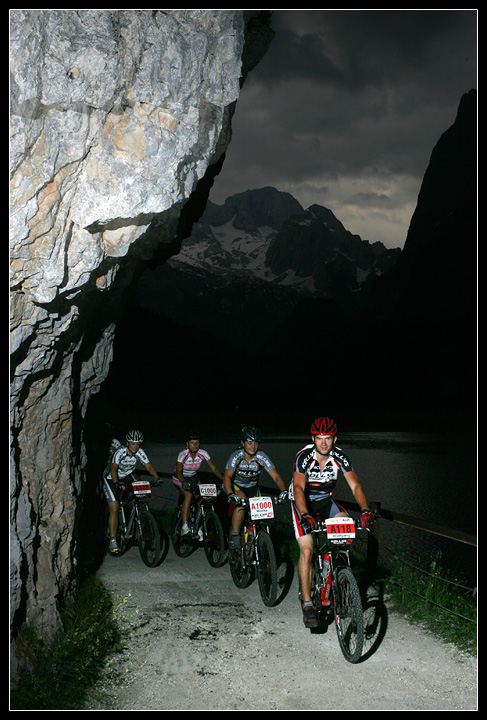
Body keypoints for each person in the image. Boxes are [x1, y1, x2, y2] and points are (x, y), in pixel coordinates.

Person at [290, 417, 374, 628]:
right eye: (320, 438)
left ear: (334, 439)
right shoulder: (303, 456)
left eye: (328, 438)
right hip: (303, 503)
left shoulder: (340, 457)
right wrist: (304, 514)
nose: (324, 443)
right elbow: (298, 488)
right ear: (313, 438)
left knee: (345, 532)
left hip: (326, 502)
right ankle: (308, 603)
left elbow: (355, 486)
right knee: (308, 550)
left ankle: (336, 572)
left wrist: (364, 509)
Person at [223, 425, 287, 549]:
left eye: (256, 443)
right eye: (250, 442)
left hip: (253, 488)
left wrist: (283, 490)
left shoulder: (261, 456)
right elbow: (227, 477)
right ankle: (235, 535)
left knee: (262, 514)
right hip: (237, 487)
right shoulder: (237, 455)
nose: (253, 446)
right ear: (243, 443)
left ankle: (259, 539)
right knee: (241, 501)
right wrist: (230, 493)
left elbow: (276, 477)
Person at [103, 429, 161, 554]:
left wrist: (156, 477)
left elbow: (148, 466)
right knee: (114, 508)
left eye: (138, 444)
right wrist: (117, 482)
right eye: (133, 444)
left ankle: (136, 525)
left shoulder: (139, 452)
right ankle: (113, 540)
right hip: (111, 478)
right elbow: (114, 468)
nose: (136, 447)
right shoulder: (120, 452)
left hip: (127, 476)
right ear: (127, 443)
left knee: (139, 495)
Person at [172, 433, 224, 537]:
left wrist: (223, 480)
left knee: (201, 500)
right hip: (180, 478)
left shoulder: (203, 453)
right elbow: (178, 471)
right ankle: (184, 526)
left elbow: (213, 468)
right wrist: (183, 482)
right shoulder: (183, 454)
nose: (195, 445)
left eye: (197, 442)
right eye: (192, 443)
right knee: (188, 495)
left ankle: (197, 526)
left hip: (194, 478)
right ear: (187, 444)